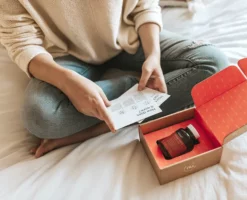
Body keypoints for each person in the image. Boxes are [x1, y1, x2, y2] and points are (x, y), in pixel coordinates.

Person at [0, 0, 228, 158]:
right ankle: (131, 85)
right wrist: (68, 81)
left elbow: (144, 5)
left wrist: (153, 56)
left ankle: (94, 128)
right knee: (40, 118)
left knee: (214, 64)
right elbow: (21, 42)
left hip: (129, 38)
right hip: (62, 56)